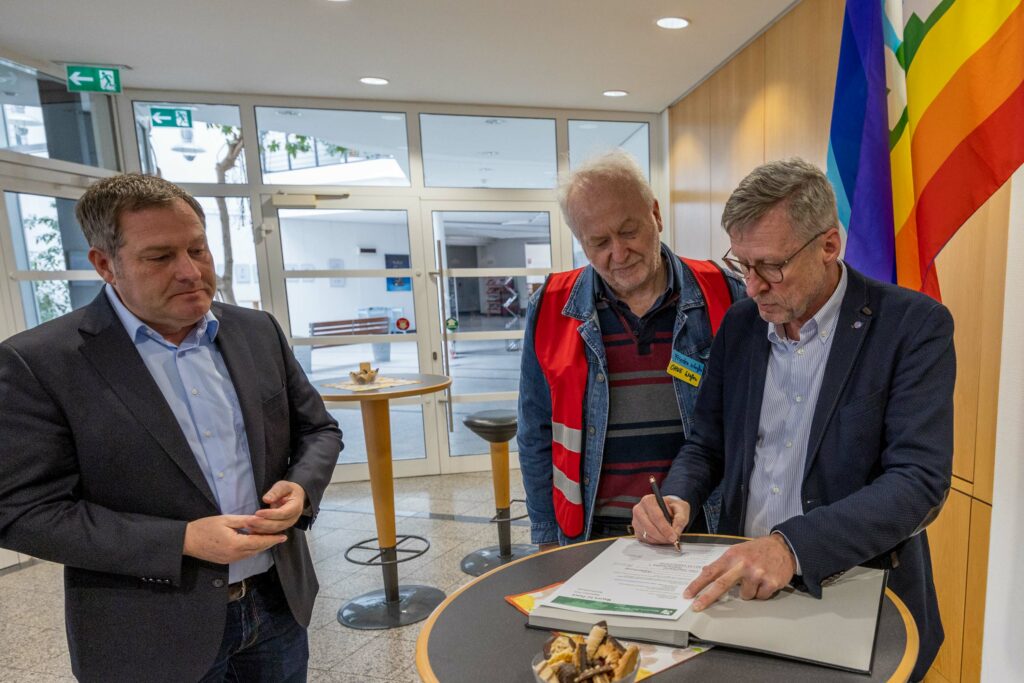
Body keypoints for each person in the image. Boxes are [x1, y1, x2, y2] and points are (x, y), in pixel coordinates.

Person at [0, 174, 343, 682]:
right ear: (104, 265)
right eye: (160, 257)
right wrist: (181, 540)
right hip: (150, 631)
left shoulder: (256, 331)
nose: (190, 272)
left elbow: (318, 430)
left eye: (198, 249)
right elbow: (22, 511)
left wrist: (301, 489)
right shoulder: (40, 363)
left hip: (277, 606)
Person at [631, 157, 953, 681]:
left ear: (829, 245)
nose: (753, 286)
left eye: (771, 266)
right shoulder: (740, 325)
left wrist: (793, 547)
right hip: (743, 592)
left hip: (858, 590)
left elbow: (919, 483)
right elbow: (707, 442)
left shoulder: (913, 327)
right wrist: (678, 496)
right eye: (742, 265)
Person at [518, 150, 745, 548]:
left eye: (629, 231)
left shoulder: (725, 292)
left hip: (704, 525)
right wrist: (547, 539)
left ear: (656, 214)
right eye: (600, 241)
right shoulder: (550, 306)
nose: (618, 254)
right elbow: (536, 434)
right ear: (581, 242)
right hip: (594, 532)